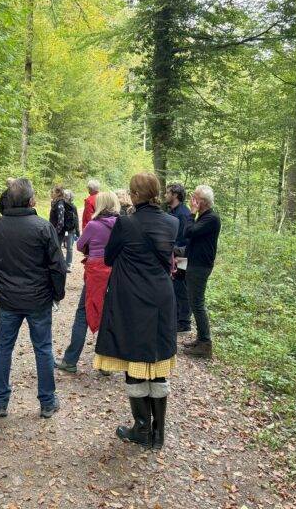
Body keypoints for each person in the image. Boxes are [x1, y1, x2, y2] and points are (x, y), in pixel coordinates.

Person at [94, 172, 179, 451]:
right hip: (162, 297)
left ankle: (142, 428)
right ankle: (160, 434)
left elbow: (108, 257)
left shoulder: (126, 223)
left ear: (134, 195)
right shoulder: (172, 222)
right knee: (158, 361)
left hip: (132, 297)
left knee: (136, 361)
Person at [0, 178, 67, 419]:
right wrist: (56, 293)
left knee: (4, 348)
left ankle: (0, 402)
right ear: (30, 201)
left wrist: (0, 284)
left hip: (11, 300)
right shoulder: (42, 227)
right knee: (43, 348)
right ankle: (47, 402)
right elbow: (57, 266)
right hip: (37, 299)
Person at [55, 191, 119, 374]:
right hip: (114, 271)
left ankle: (70, 360)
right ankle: (106, 364)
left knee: (83, 313)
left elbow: (79, 245)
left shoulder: (94, 225)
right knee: (108, 313)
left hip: (96, 272)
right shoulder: (120, 224)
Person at [181, 185, 222, 358]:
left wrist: (191, 213)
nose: (192, 199)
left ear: (202, 202)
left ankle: (205, 344)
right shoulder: (204, 217)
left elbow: (188, 232)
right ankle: (200, 339)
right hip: (195, 263)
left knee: (197, 303)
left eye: (195, 197)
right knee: (194, 301)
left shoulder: (211, 218)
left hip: (200, 266)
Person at [165, 183, 193, 333]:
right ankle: (177, 320)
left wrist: (176, 255)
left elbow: (185, 239)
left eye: (167, 192)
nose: (165, 195)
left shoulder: (183, 213)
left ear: (175, 195)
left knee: (181, 287)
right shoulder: (172, 211)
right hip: (173, 255)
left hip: (182, 257)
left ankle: (184, 323)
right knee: (175, 287)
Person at [62, 189, 80, 272]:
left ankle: (68, 265)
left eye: (67, 196)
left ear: (70, 197)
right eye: (64, 195)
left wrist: (77, 231)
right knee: (59, 247)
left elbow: (76, 219)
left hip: (70, 230)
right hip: (61, 230)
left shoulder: (73, 207)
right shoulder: (60, 206)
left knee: (69, 248)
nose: (65, 197)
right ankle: (61, 264)